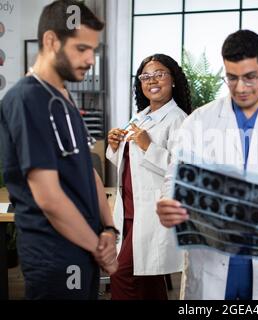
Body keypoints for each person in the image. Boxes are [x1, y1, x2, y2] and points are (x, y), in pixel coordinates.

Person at [156, 30, 258, 300]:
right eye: (232, 77)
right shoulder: (200, 121)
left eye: (250, 76)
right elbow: (176, 177)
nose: (241, 87)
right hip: (211, 259)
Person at [0, 0, 118, 299]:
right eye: (81, 48)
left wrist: (107, 230)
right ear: (51, 41)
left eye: (93, 49)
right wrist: (98, 246)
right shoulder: (27, 100)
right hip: (55, 256)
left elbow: (87, 172)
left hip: (85, 248)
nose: (91, 59)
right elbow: (49, 197)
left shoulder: (63, 99)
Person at [106, 54, 191, 300]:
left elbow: (184, 172)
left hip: (152, 213)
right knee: (147, 281)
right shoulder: (139, 116)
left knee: (120, 272)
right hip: (130, 210)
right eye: (145, 76)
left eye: (159, 74)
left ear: (173, 79)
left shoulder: (179, 121)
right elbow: (130, 163)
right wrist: (115, 145)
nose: (152, 80)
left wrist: (148, 146)